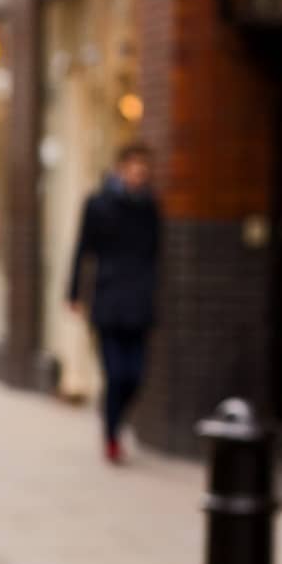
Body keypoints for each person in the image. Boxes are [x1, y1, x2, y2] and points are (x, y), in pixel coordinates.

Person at [66, 142, 161, 464]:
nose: (139, 175)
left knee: (135, 376)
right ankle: (111, 435)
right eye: (134, 168)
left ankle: (114, 421)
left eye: (143, 170)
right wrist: (74, 293)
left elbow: (156, 255)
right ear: (121, 168)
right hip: (108, 302)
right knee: (116, 373)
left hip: (140, 303)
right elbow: (83, 250)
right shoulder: (98, 204)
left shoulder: (149, 207)